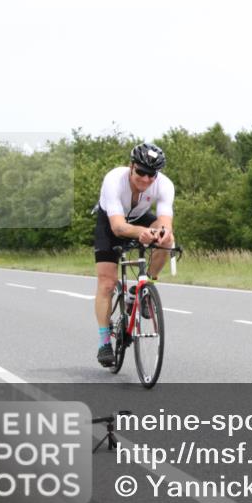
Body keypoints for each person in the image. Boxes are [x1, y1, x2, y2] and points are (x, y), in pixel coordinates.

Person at [93, 142, 176, 366]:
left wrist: (161, 234)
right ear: (131, 166)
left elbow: (165, 220)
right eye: (141, 172)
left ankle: (144, 287)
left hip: (139, 216)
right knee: (107, 284)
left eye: (152, 175)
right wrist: (142, 233)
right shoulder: (114, 180)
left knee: (167, 238)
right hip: (111, 221)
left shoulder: (165, 185)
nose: (146, 179)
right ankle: (104, 343)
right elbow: (118, 227)